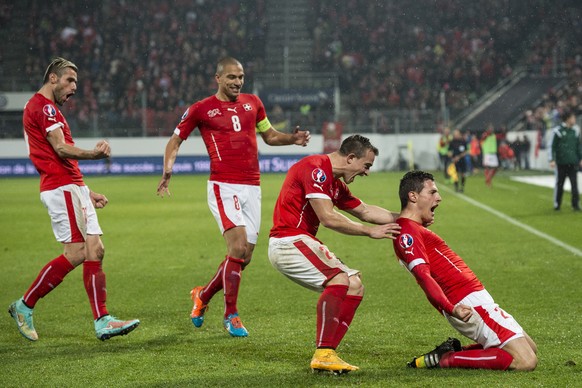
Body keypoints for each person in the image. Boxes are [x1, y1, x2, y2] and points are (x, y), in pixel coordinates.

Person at [156, 57, 310, 337]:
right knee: (238, 247)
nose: (237, 82)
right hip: (223, 185)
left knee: (244, 256)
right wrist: (168, 169)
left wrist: (293, 139)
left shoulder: (253, 103)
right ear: (218, 78)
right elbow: (175, 140)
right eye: (231, 77)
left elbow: (270, 136)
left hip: (252, 186)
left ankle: (202, 294)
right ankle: (231, 315)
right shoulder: (201, 109)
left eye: (240, 77)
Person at [9, 57, 140, 342]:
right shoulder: (43, 107)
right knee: (78, 252)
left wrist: (86, 191)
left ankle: (103, 320)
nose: (74, 87)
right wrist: (94, 154)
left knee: (96, 250)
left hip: (71, 186)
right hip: (60, 187)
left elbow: (60, 155)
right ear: (53, 78)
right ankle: (25, 305)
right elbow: (60, 148)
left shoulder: (48, 109)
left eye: (76, 83)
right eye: (70, 81)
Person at [268, 135, 401, 374]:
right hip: (289, 240)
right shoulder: (315, 169)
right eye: (366, 165)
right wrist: (369, 232)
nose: (367, 172)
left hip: (300, 241)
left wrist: (408, 218)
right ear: (351, 158)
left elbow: (366, 211)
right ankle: (324, 353)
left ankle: (327, 354)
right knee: (339, 278)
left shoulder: (335, 183)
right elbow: (328, 218)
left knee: (354, 285)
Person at [392, 170, 537, 371]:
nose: (439, 198)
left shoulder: (413, 227)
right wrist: (452, 308)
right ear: (413, 196)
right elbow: (423, 277)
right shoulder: (407, 232)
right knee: (525, 361)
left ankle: (447, 354)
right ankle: (447, 359)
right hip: (466, 301)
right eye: (432, 192)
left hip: (476, 298)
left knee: (530, 348)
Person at [548, 110, 582, 211]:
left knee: (574, 185)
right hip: (561, 163)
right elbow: (552, 146)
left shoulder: (575, 130)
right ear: (568, 119)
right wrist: (552, 159)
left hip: (573, 162)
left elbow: (578, 146)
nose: (574, 120)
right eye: (573, 118)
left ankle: (575, 205)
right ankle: (557, 204)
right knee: (560, 184)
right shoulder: (557, 131)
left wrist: (580, 158)